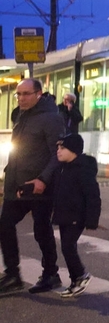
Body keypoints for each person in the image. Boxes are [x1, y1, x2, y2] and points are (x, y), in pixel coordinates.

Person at [0, 79, 67, 296]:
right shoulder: (22, 116)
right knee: (4, 225)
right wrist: (8, 176)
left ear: (38, 94)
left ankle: (51, 274)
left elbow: (57, 155)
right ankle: (13, 275)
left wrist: (43, 180)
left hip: (40, 187)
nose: (21, 98)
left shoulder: (52, 119)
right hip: (18, 185)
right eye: (18, 95)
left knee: (41, 230)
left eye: (26, 94)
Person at [50, 133, 101, 297]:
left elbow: (93, 195)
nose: (58, 151)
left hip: (76, 216)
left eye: (62, 148)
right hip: (64, 215)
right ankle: (75, 281)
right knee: (67, 247)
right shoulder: (62, 168)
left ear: (73, 150)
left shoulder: (83, 169)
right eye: (58, 147)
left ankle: (81, 275)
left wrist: (92, 220)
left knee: (67, 247)